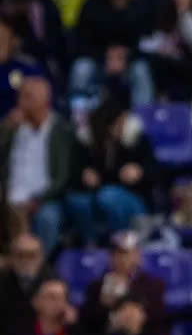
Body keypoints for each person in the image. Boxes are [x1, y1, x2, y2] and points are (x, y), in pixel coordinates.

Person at [66, 96, 158, 246]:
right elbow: (74, 172)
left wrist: (140, 172)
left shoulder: (136, 139)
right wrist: (83, 175)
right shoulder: (87, 141)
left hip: (133, 198)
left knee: (108, 197)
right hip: (96, 195)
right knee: (77, 201)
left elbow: (156, 172)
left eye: (123, 121)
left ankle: (121, 244)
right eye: (118, 123)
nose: (122, 126)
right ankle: (90, 244)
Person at [0, 77, 73, 255]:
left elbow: (63, 177)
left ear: (45, 101)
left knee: (48, 217)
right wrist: (6, 129)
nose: (21, 103)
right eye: (20, 97)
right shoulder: (12, 128)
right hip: (9, 197)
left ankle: (37, 264)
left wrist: (37, 200)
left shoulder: (61, 130)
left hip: (44, 200)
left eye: (28, 97)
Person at [69, 0, 155, 106]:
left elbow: (149, 43)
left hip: (130, 62)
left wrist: (125, 56)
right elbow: (81, 43)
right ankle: (79, 113)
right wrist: (106, 56)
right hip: (98, 60)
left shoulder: (143, 6)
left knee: (141, 71)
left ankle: (141, 116)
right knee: (81, 69)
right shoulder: (92, 5)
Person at [80, 230, 166, 335]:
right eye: (115, 253)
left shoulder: (154, 285)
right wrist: (104, 305)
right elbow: (86, 322)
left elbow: (158, 319)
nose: (121, 259)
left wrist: (134, 312)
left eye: (126, 254)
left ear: (137, 256)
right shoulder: (96, 287)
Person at [0, 234, 56, 335]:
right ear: (11, 258)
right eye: (20, 255)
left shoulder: (53, 281)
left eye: (31, 255)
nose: (25, 260)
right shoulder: (2, 280)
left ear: (41, 257)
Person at [0, 14, 43, 120]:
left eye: (2, 40)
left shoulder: (25, 69)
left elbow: (42, 100)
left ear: (12, 41)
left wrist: (25, 113)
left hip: (18, 125)